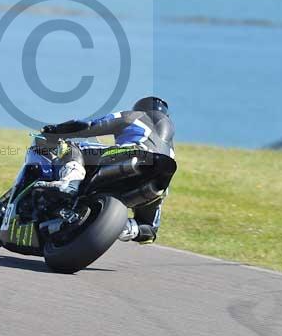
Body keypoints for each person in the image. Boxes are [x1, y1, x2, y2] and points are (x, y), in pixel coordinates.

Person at [37, 96, 177, 244]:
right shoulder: (169, 144)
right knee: (148, 228)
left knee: (73, 147)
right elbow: (149, 234)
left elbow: (89, 126)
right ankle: (123, 228)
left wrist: (56, 130)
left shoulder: (134, 116)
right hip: (160, 182)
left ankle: (71, 182)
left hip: (134, 154)